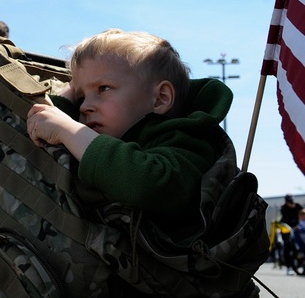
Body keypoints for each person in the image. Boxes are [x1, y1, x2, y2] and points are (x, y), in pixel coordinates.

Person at [26, 29, 230, 236]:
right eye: (81, 97)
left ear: (160, 98)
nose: (85, 107)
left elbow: (148, 184)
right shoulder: (107, 131)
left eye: (103, 88)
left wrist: (69, 130)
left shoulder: (187, 142)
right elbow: (44, 125)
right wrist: (69, 97)